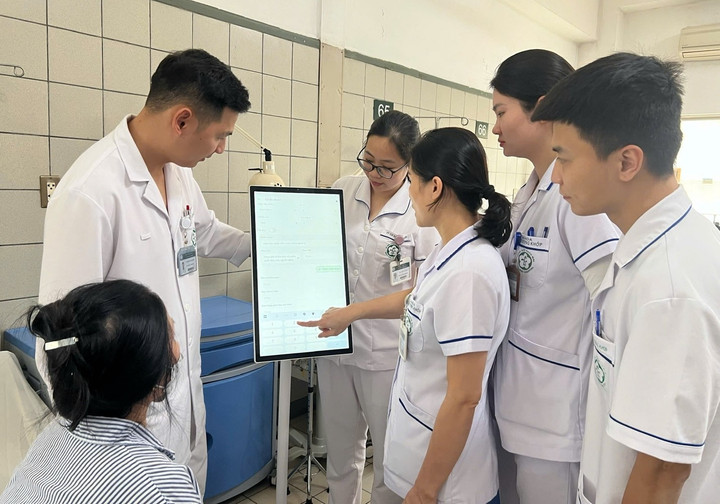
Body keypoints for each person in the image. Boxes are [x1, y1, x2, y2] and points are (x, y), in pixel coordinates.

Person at [36, 48, 252, 492]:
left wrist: (271, 246)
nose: (221, 148)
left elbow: (204, 232)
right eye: (220, 135)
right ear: (182, 120)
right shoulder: (90, 193)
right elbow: (59, 341)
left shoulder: (179, 172)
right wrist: (97, 446)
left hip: (183, 402)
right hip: (123, 430)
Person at [532, 52, 720, 504]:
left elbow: (660, 473)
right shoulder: (646, 249)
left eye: (564, 158)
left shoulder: (670, 290)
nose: (556, 176)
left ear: (626, 162)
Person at [301, 127, 512, 503]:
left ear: (434, 187)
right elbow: (419, 299)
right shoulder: (450, 252)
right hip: (418, 439)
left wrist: (426, 489)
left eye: (411, 180)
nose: (407, 191)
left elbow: (464, 397)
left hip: (448, 482)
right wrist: (353, 313)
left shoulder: (471, 272)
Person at [488, 49, 620, 504]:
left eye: (501, 112)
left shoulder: (579, 202)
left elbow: (610, 304)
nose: (495, 127)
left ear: (542, 109)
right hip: (517, 402)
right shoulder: (529, 193)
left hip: (557, 417)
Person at [316, 110, 438, 504]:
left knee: (388, 459)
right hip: (335, 348)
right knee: (341, 454)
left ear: (410, 165)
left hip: (386, 355)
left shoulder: (421, 212)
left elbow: (422, 292)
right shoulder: (344, 189)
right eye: (368, 160)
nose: (374, 173)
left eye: (387, 167)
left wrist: (354, 313)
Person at [1, 280, 202, 503]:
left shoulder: (50, 438)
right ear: (149, 377)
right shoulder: (162, 490)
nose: (177, 351)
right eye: (171, 337)